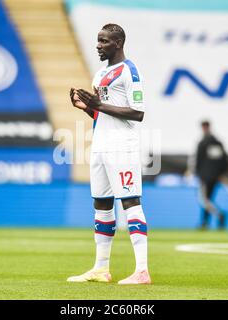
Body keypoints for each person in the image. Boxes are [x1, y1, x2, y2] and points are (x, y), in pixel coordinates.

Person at [67, 24, 150, 284]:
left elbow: (138, 113)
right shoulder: (101, 73)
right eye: (98, 41)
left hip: (121, 147)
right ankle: (101, 268)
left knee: (130, 202)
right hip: (100, 145)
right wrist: (87, 108)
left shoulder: (129, 71)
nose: (98, 45)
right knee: (102, 204)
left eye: (104, 41)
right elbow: (102, 113)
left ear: (118, 43)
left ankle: (142, 271)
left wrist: (99, 104)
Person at [195, 121, 228, 230]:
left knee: (204, 199)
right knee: (208, 199)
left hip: (205, 177)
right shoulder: (218, 143)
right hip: (215, 177)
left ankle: (218, 215)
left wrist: (199, 174)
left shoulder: (202, 143)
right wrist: (221, 173)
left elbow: (198, 161)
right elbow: (224, 160)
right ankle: (205, 222)